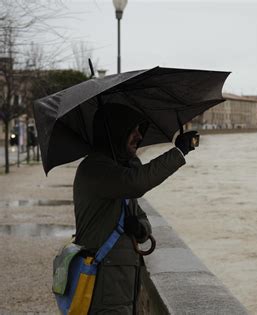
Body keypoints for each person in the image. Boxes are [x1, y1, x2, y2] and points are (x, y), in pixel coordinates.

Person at [73, 103, 196, 314]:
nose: (139, 136)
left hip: (120, 281)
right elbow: (136, 183)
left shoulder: (117, 170)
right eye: (133, 130)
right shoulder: (95, 169)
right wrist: (178, 153)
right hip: (103, 283)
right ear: (115, 133)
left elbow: (142, 217)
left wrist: (140, 229)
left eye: (141, 130)